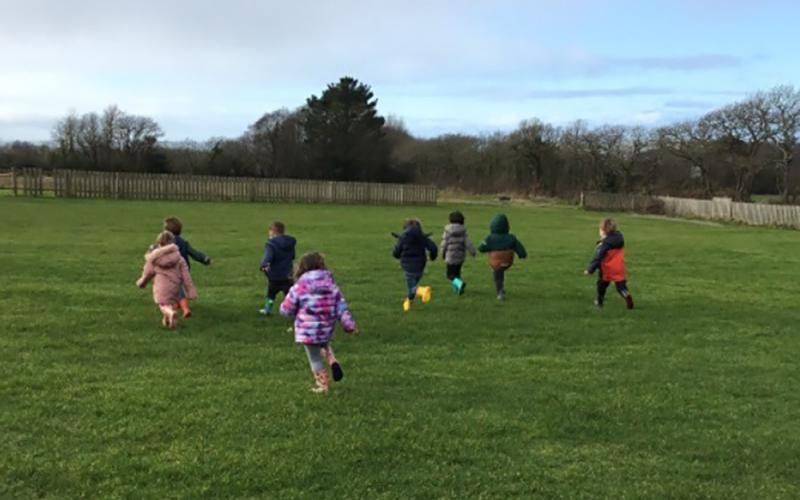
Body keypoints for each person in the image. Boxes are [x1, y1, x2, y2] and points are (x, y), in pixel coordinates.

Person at [280, 252, 357, 394]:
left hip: (308, 330)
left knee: (314, 357)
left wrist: (286, 311)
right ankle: (332, 360)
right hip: (326, 328)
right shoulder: (331, 285)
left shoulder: (300, 286)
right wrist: (349, 325)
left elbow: (286, 308)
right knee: (323, 343)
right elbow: (341, 307)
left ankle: (323, 385)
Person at [136, 231, 197, 329]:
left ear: (159, 243)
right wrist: (191, 291)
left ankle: (170, 313)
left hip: (161, 286)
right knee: (171, 302)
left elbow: (148, 273)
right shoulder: (179, 258)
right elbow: (186, 277)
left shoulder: (154, 258)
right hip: (175, 286)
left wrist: (142, 283)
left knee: (163, 304)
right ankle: (168, 320)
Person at [163, 216, 211, 318]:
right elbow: (194, 253)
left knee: (174, 289)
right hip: (183, 270)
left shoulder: (165, 243)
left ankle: (182, 308)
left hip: (170, 271)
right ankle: (178, 305)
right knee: (178, 287)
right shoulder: (184, 243)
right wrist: (204, 259)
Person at [585, 218, 634, 309]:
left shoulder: (604, 245)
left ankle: (599, 301)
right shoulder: (619, 237)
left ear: (604, 231)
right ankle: (626, 294)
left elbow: (598, 257)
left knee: (601, 285)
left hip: (607, 269)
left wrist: (590, 269)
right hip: (619, 267)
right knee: (621, 286)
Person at [478, 213, 527, 301]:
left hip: (496, 262)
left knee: (497, 275)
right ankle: (502, 289)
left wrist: (488, 249)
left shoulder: (490, 238)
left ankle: (499, 292)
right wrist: (522, 255)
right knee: (501, 272)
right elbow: (520, 248)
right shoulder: (511, 238)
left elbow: (481, 248)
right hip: (507, 262)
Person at [393, 218, 438, 312]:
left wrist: (397, 255)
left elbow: (397, 251)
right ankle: (408, 302)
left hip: (408, 265)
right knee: (413, 285)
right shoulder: (423, 237)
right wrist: (433, 257)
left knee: (412, 287)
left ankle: (422, 290)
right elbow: (433, 248)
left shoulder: (404, 238)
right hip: (421, 265)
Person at [259, 221, 297, 315]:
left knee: (271, 294)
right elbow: (293, 256)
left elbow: (268, 258)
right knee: (289, 294)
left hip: (275, 275)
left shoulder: (271, 244)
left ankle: (267, 309)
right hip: (288, 274)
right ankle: (293, 311)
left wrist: (264, 266)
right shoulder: (290, 242)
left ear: (272, 231)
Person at [440, 210, 476, 295]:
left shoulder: (447, 231)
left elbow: (444, 243)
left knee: (450, 275)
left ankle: (460, 284)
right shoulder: (463, 232)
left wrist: (442, 253)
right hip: (460, 257)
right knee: (457, 273)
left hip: (450, 256)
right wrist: (473, 252)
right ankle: (458, 290)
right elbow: (468, 243)